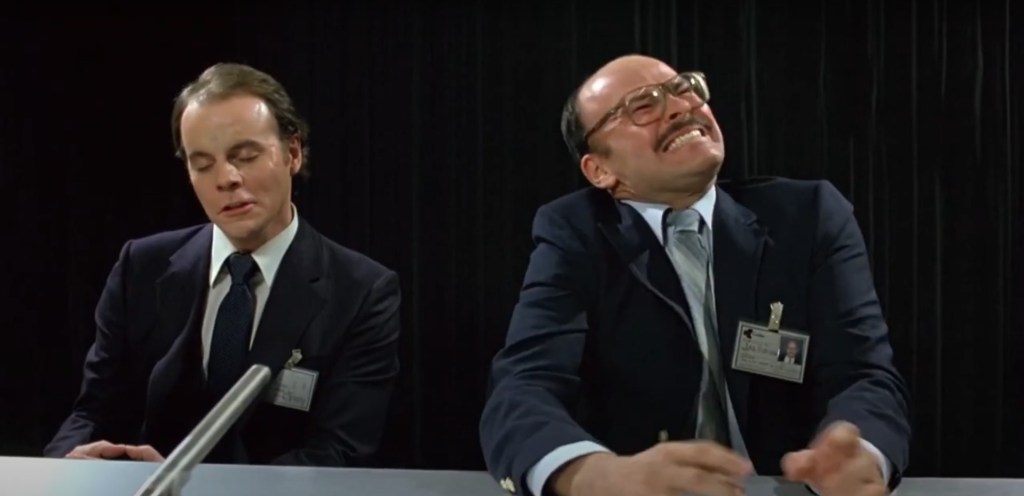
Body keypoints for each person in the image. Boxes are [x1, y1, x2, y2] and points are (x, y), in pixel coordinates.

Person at [479, 54, 910, 496]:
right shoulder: (575, 233)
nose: (680, 107)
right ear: (600, 170)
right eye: (642, 106)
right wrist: (597, 477)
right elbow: (523, 388)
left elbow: (863, 375)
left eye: (684, 88)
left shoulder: (808, 217)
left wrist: (861, 454)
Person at [44, 63, 402, 467]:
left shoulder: (361, 292)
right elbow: (93, 412)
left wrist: (192, 490)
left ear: (293, 153)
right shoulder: (141, 267)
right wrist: (69, 466)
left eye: (245, 156)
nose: (226, 179)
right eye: (202, 164)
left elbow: (337, 455)